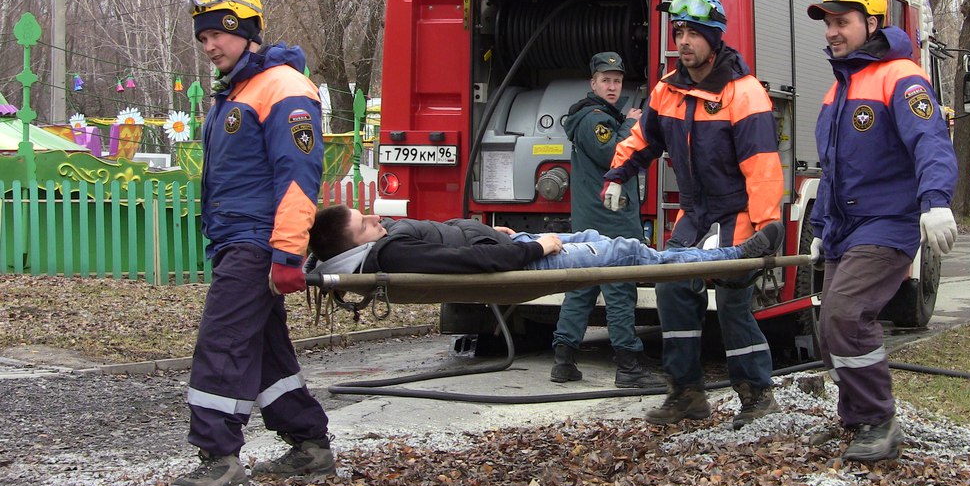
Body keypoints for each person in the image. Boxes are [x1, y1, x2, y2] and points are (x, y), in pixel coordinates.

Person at [169, 0, 333, 486]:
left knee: (222, 343)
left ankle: (218, 456)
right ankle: (310, 445)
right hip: (237, 239)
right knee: (264, 351)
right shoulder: (234, 92)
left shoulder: (283, 88)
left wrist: (287, 252)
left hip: (257, 242)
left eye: (218, 33)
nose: (210, 45)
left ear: (246, 33)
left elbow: (298, 178)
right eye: (204, 38)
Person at [602, 0, 785, 430]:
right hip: (696, 214)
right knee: (672, 289)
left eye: (692, 33)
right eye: (678, 32)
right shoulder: (669, 89)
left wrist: (766, 226)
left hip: (735, 213)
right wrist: (616, 175)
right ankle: (686, 393)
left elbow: (761, 167)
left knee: (733, 302)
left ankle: (757, 394)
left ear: (713, 38)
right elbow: (643, 139)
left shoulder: (744, 94)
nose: (682, 41)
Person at [803, 0, 959, 464]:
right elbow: (834, 165)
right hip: (844, 227)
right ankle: (857, 418)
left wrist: (935, 201)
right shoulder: (842, 85)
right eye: (828, 22)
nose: (832, 31)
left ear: (872, 22)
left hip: (887, 223)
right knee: (831, 327)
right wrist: (819, 227)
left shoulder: (901, 77)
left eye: (842, 22)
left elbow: (930, 142)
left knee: (847, 315)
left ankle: (877, 421)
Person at [549, 52, 663, 388]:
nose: (613, 86)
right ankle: (628, 366)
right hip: (609, 221)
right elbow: (613, 154)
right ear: (593, 83)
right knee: (620, 291)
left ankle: (564, 360)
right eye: (606, 80)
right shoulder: (594, 119)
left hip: (595, 219)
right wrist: (631, 124)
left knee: (582, 290)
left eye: (617, 81)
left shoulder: (599, 116)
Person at [306, 204, 783, 275]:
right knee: (626, 251)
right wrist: (537, 247)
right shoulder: (392, 251)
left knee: (602, 236)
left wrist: (495, 231)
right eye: (365, 223)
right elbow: (467, 262)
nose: (376, 219)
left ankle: (704, 257)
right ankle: (727, 258)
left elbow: (457, 240)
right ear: (355, 246)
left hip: (507, 244)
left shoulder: (384, 244)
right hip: (521, 261)